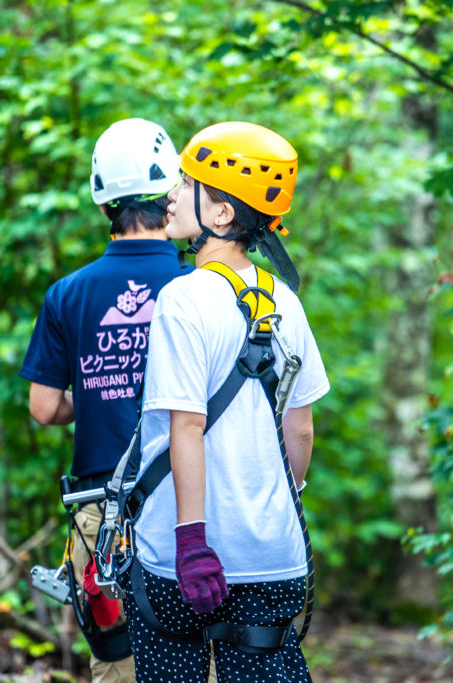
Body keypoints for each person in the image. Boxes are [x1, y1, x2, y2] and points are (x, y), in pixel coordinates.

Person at [125, 122, 330, 682]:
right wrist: (270, 501)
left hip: (183, 557)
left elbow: (185, 427)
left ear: (220, 215)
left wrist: (192, 543)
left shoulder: (183, 298)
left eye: (187, 182)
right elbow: (302, 429)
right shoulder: (285, 300)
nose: (169, 194)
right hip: (272, 554)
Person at [20, 117, 190, 683]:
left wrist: (95, 397)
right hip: (191, 500)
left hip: (103, 509)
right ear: (171, 199)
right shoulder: (199, 285)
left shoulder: (67, 294)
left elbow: (44, 408)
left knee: (119, 666)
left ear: (103, 207)